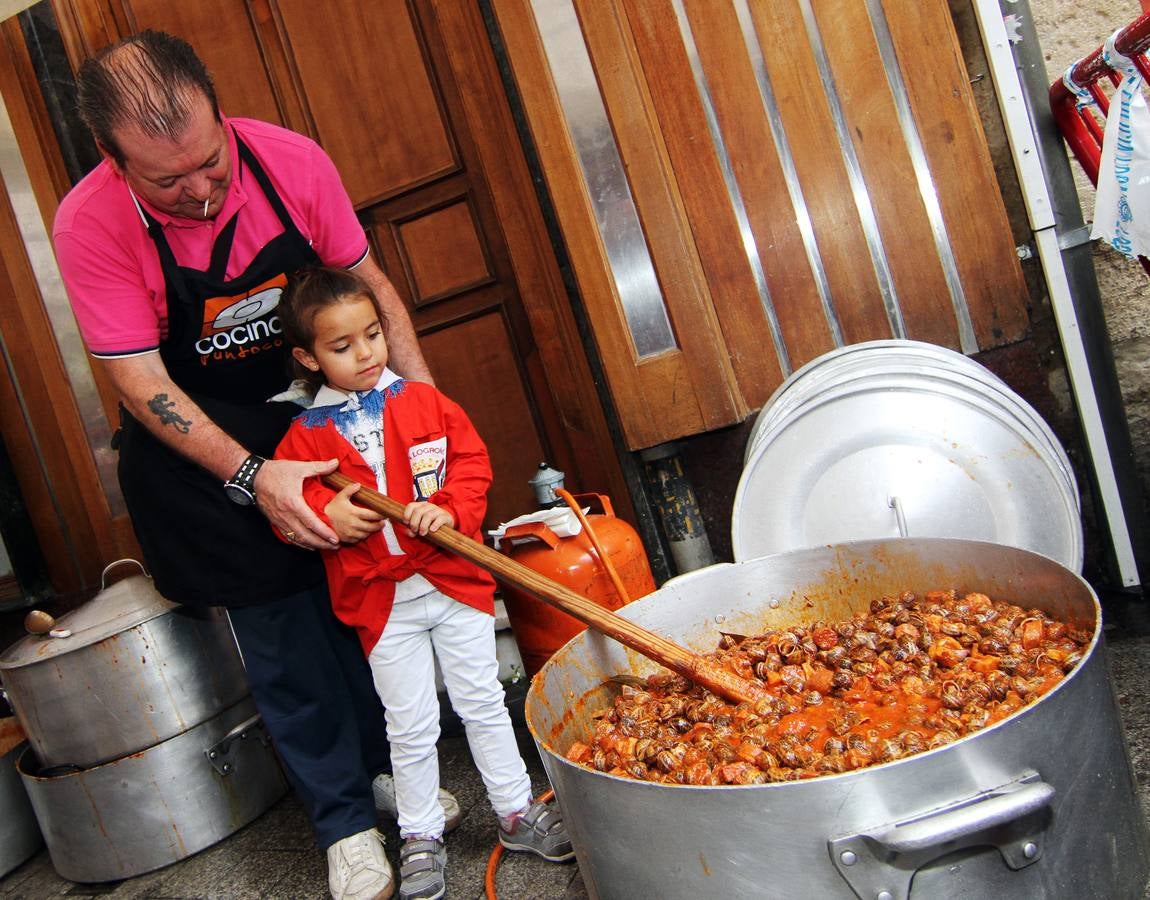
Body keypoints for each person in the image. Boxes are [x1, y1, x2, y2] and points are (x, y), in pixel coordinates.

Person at [51, 30, 457, 900]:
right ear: (111, 159)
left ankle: (397, 776)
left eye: (210, 161)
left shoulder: (289, 162)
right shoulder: (90, 224)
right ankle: (343, 825)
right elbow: (137, 377)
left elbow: (367, 283)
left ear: (219, 112)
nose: (200, 191)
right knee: (281, 635)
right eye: (168, 181)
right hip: (197, 443)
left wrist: (423, 414)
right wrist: (251, 476)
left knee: (365, 597)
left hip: (310, 413)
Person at [272, 266, 573, 900]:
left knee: (484, 701)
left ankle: (516, 810)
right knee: (408, 723)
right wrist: (325, 516)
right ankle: (420, 834)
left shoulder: (425, 401)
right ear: (307, 357)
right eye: (341, 345)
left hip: (454, 583)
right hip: (381, 603)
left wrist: (452, 510)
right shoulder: (300, 439)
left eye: (373, 335)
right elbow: (289, 515)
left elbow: (469, 463)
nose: (364, 354)